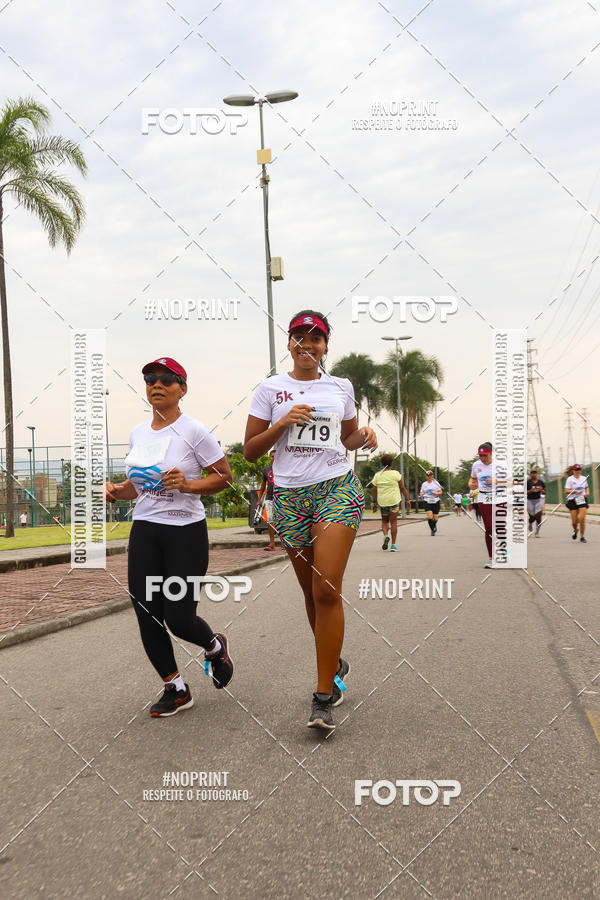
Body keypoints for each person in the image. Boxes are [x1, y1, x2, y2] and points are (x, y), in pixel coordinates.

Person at [244, 310, 377, 731]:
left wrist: (366, 437)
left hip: (335, 489)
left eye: (315, 338)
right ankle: (334, 658)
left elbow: (347, 438)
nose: (307, 344)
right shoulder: (270, 389)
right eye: (299, 337)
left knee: (326, 589)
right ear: (289, 343)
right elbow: (250, 451)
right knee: (309, 593)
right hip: (288, 496)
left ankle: (324, 693)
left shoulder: (340, 387)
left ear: (325, 345)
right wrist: (282, 422)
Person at [105, 357, 234, 717]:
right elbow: (138, 486)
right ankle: (175, 688)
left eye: (166, 379)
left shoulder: (194, 431)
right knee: (146, 611)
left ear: (183, 388)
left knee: (178, 617)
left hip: (185, 533)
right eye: (149, 378)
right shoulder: (138, 433)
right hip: (146, 529)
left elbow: (225, 476)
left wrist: (190, 484)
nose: (156, 384)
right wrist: (116, 489)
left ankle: (213, 647)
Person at [468, 441, 507, 568]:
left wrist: (495, 481)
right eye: (480, 456)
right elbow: (472, 478)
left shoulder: (500, 465)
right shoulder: (476, 465)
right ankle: (492, 557)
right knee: (489, 526)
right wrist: (471, 484)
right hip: (483, 497)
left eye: (485, 455)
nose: (482, 458)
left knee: (500, 527)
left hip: (500, 497)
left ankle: (503, 548)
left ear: (491, 454)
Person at [372, 453, 411, 551]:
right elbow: (402, 487)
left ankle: (385, 536)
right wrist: (407, 499)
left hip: (382, 502)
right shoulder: (396, 474)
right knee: (394, 523)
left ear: (382, 463)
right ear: (391, 463)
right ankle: (393, 545)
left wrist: (373, 501)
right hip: (394, 501)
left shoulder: (377, 475)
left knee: (384, 521)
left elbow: (374, 489)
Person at [258, 450, 280, 551]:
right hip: (269, 498)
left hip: (281, 498)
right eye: (272, 456)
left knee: (282, 521)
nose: (273, 458)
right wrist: (259, 499)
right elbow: (263, 485)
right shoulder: (266, 470)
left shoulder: (284, 469)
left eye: (275, 456)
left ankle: (284, 544)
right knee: (270, 520)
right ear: (269, 458)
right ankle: (272, 543)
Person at [564, 464, 589, 543]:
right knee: (574, 522)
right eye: (576, 470)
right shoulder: (570, 479)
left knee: (582, 518)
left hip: (581, 498)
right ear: (573, 471)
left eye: (579, 470)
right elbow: (566, 491)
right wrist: (575, 491)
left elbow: (586, 487)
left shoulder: (584, 478)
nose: (578, 471)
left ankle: (582, 537)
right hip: (572, 500)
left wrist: (587, 492)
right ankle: (576, 529)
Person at [419, 470, 443, 535]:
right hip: (427, 500)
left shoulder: (436, 483)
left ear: (432, 476)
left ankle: (434, 525)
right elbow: (421, 492)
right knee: (429, 516)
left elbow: (441, 492)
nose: (429, 477)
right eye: (428, 475)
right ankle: (432, 530)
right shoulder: (424, 484)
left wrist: (436, 492)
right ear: (426, 476)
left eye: (430, 475)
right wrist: (422, 493)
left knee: (435, 518)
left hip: (436, 500)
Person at [527, 469, 546, 538]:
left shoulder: (541, 482)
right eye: (532, 473)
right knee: (532, 517)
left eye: (535, 473)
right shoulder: (528, 482)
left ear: (536, 474)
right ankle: (530, 522)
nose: (533, 474)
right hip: (529, 500)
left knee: (538, 516)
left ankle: (537, 532)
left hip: (539, 500)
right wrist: (530, 491)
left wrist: (542, 490)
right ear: (530, 474)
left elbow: (545, 492)